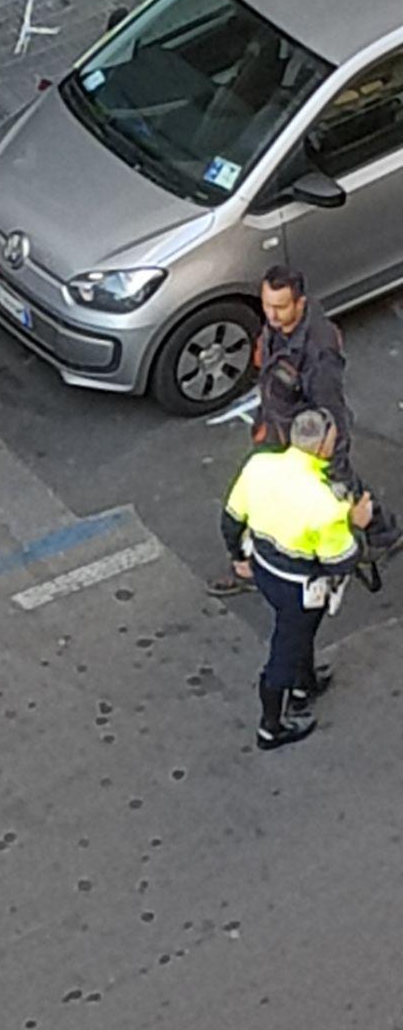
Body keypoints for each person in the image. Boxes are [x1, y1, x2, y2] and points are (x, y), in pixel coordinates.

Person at [207, 263, 400, 597]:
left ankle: (250, 565)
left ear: (300, 302)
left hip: (301, 442)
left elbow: (331, 414)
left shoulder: (319, 352)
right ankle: (384, 532)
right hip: (275, 429)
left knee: (332, 484)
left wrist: (329, 460)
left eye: (280, 307)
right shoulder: (280, 328)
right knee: (337, 485)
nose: (272, 315)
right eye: (267, 305)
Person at [220, 408, 372, 750]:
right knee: (285, 650)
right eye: (333, 437)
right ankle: (271, 727)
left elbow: (231, 519)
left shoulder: (259, 466)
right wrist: (357, 522)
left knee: (300, 634)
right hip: (300, 587)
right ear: (322, 446)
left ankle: (305, 685)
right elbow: (343, 560)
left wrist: (237, 558)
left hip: (263, 568)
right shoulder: (326, 503)